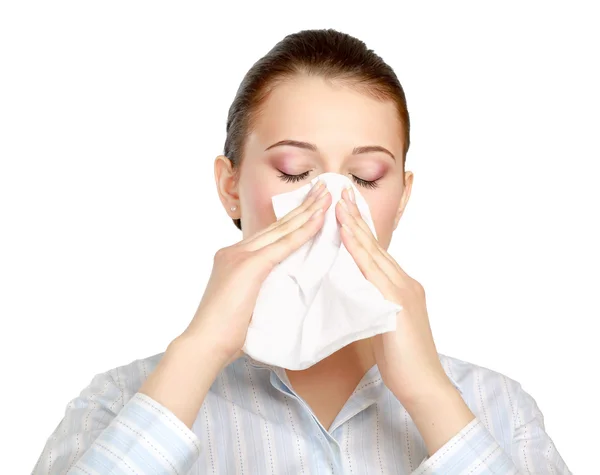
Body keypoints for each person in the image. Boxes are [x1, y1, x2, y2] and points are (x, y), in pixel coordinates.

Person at [32, 28, 571, 474]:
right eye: (295, 171)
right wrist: (198, 352)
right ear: (230, 186)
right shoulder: (120, 401)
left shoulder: (498, 410)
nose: (331, 202)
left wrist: (430, 395)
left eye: (365, 177)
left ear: (402, 198)